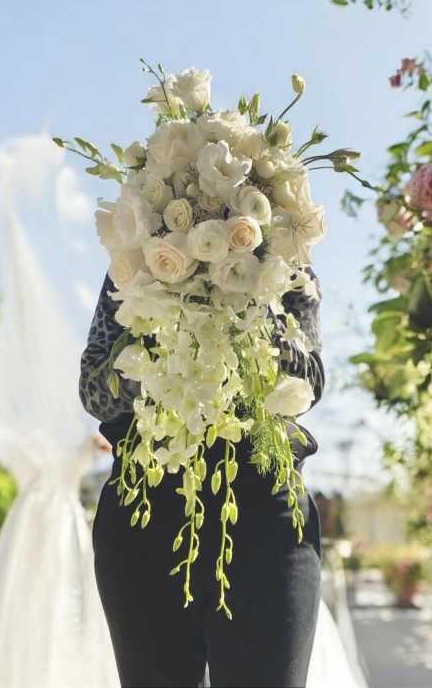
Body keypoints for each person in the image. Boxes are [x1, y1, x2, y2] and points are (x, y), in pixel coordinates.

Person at [80, 270, 325, 688]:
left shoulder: (287, 256)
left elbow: (310, 384)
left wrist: (246, 314)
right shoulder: (137, 253)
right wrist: (166, 346)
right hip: (146, 518)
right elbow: (93, 392)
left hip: (267, 521)